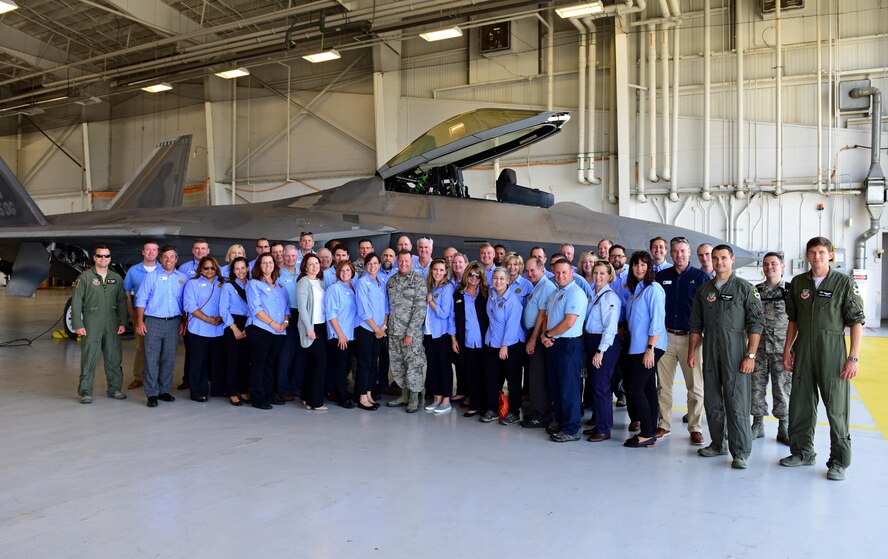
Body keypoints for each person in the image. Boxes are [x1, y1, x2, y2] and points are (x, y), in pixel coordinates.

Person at [780, 236, 865, 481]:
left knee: (837, 409)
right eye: (812, 252)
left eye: (821, 252)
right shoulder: (798, 283)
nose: (816, 256)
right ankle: (803, 452)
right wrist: (788, 350)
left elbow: (856, 322)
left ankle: (839, 462)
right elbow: (793, 321)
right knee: (801, 404)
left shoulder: (843, 283)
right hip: (804, 348)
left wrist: (853, 358)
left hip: (833, 350)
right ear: (807, 255)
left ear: (830, 255)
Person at [689, 245, 764, 470]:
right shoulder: (704, 290)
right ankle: (718, 443)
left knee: (737, 402)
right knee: (712, 400)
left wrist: (750, 355)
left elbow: (756, 323)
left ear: (732, 259)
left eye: (723, 258)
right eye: (715, 258)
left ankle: (740, 452)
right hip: (711, 349)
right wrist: (692, 351)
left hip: (736, 351)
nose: (719, 262)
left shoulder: (745, 289)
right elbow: (695, 324)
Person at [654, 236, 710, 445]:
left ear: (689, 253)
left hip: (692, 339)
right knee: (663, 386)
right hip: (666, 337)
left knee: (695, 386)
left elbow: (706, 310)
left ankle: (695, 427)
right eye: (675, 251)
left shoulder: (700, 277)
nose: (679, 255)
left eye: (683, 251)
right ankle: (664, 424)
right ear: (671, 253)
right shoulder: (661, 277)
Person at [72, 246, 128, 403]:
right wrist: (78, 324)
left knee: (114, 358)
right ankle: (85, 391)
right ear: (94, 258)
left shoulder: (116, 278)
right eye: (100, 256)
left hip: (111, 323)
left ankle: (115, 389)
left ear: (110, 258)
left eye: (106, 256)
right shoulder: (84, 278)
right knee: (89, 358)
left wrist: (123, 322)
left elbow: (122, 302)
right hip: (91, 323)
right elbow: (76, 302)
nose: (103, 259)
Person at [540, 259, 588, 442]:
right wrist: (546, 336)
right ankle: (561, 422)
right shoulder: (556, 293)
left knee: (569, 388)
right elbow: (547, 315)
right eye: (557, 273)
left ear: (571, 273)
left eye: (564, 273)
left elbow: (569, 322)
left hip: (569, 345)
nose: (560, 276)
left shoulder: (576, 293)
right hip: (554, 344)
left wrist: (548, 334)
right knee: (556, 386)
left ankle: (571, 428)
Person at [622, 251, 667, 447]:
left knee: (634, 388)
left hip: (649, 346)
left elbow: (657, 320)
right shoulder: (635, 291)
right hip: (636, 347)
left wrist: (650, 348)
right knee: (648, 388)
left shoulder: (653, 289)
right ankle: (650, 431)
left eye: (643, 265)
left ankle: (647, 432)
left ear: (649, 267)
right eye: (635, 265)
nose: (639, 268)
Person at [135, 245, 188, 408]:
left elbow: (185, 303)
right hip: (153, 321)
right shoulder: (152, 277)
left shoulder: (182, 278)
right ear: (161, 259)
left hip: (174, 322)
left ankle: (164, 390)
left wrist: (184, 322)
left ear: (176, 259)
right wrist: (139, 321)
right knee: (151, 358)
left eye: (172, 257)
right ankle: (151, 393)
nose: (168, 260)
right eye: (165, 257)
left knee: (168, 358)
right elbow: (141, 299)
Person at [751, 252, 791, 444]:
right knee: (756, 388)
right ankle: (757, 424)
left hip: (782, 350)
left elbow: (797, 322)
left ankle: (783, 426)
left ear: (782, 266)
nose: (770, 267)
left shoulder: (790, 291)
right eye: (766, 264)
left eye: (774, 264)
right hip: (758, 350)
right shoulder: (755, 291)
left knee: (782, 389)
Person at [582, 261, 622, 442]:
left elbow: (610, 328)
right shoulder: (593, 294)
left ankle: (605, 429)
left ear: (609, 276)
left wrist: (600, 351)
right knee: (594, 384)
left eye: (602, 274)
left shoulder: (609, 298)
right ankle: (599, 422)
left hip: (604, 344)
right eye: (596, 273)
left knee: (600, 387)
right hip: (591, 341)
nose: (597, 276)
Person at [481, 267, 525, 425]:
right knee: (490, 378)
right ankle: (492, 409)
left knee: (513, 380)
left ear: (508, 281)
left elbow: (512, 326)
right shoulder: (492, 294)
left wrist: (505, 346)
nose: (497, 281)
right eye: (495, 278)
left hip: (510, 345)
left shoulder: (513, 301)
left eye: (501, 278)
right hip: (492, 343)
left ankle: (514, 411)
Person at [386, 250, 428, 413]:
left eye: (406, 261)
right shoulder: (391, 281)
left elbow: (419, 309)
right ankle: (404, 395)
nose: (403, 264)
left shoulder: (418, 281)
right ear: (397, 261)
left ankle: (413, 398)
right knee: (398, 365)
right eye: (401, 261)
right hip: (394, 332)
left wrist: (410, 332)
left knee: (413, 365)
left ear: (412, 262)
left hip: (410, 334)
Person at [245, 253, 289, 410]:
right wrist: (273, 324)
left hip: (278, 331)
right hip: (260, 329)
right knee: (259, 364)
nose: (267, 265)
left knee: (270, 364)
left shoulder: (279, 285)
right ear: (259, 266)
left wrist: (284, 323)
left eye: (270, 262)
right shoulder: (253, 284)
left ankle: (269, 394)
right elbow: (256, 308)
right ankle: (257, 398)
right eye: (264, 263)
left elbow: (286, 308)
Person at [521, 256, 557, 429]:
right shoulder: (538, 286)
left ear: (542, 269)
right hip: (533, 334)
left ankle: (540, 416)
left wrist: (533, 340)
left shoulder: (546, 287)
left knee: (538, 378)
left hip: (538, 337)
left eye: (532, 270)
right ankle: (538, 412)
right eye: (527, 271)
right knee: (534, 377)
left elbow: (542, 317)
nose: (529, 274)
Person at [183, 256, 225, 402]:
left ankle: (218, 390)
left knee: (217, 362)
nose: (209, 270)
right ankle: (198, 392)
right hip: (198, 329)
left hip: (218, 330)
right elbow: (190, 306)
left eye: (213, 267)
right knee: (198, 363)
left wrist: (221, 317)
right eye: (206, 267)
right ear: (201, 269)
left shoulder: (223, 283)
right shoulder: (192, 284)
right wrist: (207, 319)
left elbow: (227, 303)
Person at [451, 261, 489, 418]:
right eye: (471, 274)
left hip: (485, 342)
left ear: (481, 278)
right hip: (467, 342)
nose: (474, 278)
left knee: (486, 374)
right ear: (466, 274)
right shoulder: (458, 294)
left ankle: (486, 404)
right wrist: (454, 339)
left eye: (477, 276)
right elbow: (452, 319)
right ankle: (474, 404)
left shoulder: (486, 294)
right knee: (472, 374)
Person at [124, 240, 158, 389]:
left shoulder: (163, 270)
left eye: (154, 250)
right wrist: (132, 311)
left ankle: (157, 377)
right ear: (143, 252)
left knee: (158, 347)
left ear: (157, 253)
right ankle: (139, 377)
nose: (151, 252)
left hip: (158, 315)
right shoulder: (134, 271)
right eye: (148, 250)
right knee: (140, 347)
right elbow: (126, 291)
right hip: (141, 314)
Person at [295, 253, 328, 411]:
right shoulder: (303, 282)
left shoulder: (320, 282)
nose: (315, 266)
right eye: (311, 264)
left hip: (321, 326)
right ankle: (315, 402)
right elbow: (302, 309)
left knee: (312, 363)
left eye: (317, 263)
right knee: (320, 363)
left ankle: (306, 397)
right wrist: (309, 329)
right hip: (311, 327)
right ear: (305, 267)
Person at [423, 259, 456, 414]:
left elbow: (444, 313)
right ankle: (437, 398)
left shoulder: (447, 288)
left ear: (445, 271)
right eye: (435, 269)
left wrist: (431, 303)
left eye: (441, 270)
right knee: (433, 367)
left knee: (444, 367)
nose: (438, 272)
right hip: (429, 333)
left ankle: (446, 400)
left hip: (441, 334)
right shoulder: (431, 286)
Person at [325, 260, 358, 409]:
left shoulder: (352, 288)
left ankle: (339, 391)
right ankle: (342, 397)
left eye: (348, 271)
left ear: (352, 273)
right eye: (342, 271)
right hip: (339, 335)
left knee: (344, 367)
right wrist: (340, 335)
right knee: (340, 366)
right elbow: (331, 314)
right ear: (338, 272)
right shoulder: (334, 288)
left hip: (349, 334)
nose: (345, 273)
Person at [357, 253, 388, 410]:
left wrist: (383, 327)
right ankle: (362, 397)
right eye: (370, 263)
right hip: (367, 330)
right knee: (364, 363)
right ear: (365, 265)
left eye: (376, 263)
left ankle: (369, 393)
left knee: (372, 364)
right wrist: (376, 328)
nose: (373, 266)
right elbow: (363, 310)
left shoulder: (381, 282)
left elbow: (386, 307)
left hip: (380, 330)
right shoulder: (362, 283)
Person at [220, 257, 251, 405]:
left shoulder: (252, 285)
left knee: (246, 360)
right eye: (237, 268)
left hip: (248, 324)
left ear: (248, 268)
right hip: (232, 324)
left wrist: (247, 328)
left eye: (243, 268)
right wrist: (235, 328)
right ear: (233, 271)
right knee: (232, 360)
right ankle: (232, 392)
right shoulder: (228, 286)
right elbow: (223, 309)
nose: (240, 271)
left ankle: (244, 390)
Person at [276, 245, 300, 400]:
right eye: (287, 256)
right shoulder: (277, 275)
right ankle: (282, 388)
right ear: (283, 257)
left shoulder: (302, 273)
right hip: (287, 316)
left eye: (293, 256)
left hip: (302, 316)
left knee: (299, 353)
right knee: (285, 354)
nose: (290, 259)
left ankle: (296, 386)